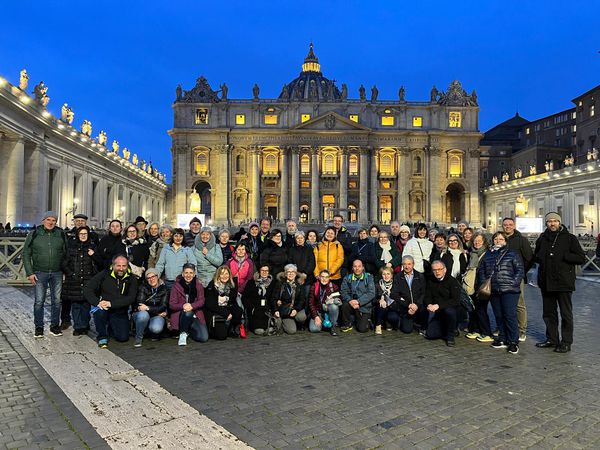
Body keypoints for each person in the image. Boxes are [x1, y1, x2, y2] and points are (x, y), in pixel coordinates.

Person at [534, 212, 586, 353]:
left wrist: (565, 256)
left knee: (565, 313)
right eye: (549, 221)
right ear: (546, 223)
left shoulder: (570, 238)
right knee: (548, 313)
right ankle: (552, 339)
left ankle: (566, 342)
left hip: (563, 282)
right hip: (546, 281)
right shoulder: (542, 238)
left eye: (555, 221)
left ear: (559, 223)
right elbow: (536, 256)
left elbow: (581, 258)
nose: (552, 223)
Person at [476, 231, 524, 354]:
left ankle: (513, 341)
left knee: (509, 315)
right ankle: (502, 338)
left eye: (501, 239)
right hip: (494, 289)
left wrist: (513, 283)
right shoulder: (488, 254)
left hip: (509, 290)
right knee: (498, 315)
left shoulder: (512, 253)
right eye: (496, 239)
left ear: (505, 241)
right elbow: (482, 270)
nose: (498, 241)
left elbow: (519, 270)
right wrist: (484, 283)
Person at [23, 211, 67, 338]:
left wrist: (64, 271)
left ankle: (54, 326)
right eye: (48, 219)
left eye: (53, 220)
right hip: (39, 272)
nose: (51, 222)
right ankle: (39, 327)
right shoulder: (34, 234)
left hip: (57, 272)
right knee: (39, 301)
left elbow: (65, 254)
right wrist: (30, 272)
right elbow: (26, 253)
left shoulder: (60, 234)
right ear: (43, 220)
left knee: (57, 301)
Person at [84, 254, 138, 348]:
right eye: (118, 265)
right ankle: (102, 336)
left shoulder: (131, 278)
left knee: (122, 338)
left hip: (119, 310)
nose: (121, 268)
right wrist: (97, 302)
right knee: (99, 312)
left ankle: (111, 325)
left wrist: (111, 303)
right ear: (113, 266)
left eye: (124, 266)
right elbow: (88, 288)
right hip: (103, 307)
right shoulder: (104, 274)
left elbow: (131, 298)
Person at [60, 226, 99, 335]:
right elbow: (64, 263)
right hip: (74, 280)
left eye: (85, 234)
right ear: (77, 235)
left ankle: (85, 326)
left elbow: (98, 262)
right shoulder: (71, 247)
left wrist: (94, 255)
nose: (83, 236)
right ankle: (78, 327)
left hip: (88, 279)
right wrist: (70, 274)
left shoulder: (92, 247)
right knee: (76, 305)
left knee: (86, 305)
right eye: (81, 234)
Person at [502, 217, 534, 342]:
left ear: (514, 226)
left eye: (510, 224)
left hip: (516, 277)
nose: (507, 227)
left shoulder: (522, 240)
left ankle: (521, 330)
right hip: (501, 277)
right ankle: (503, 328)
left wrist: (520, 272)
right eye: (505, 225)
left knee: (519, 304)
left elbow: (529, 258)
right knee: (503, 303)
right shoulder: (499, 239)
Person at [169, 263, 209, 345]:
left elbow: (202, 301)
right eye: (186, 273)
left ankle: (188, 331)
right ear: (183, 274)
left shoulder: (198, 285)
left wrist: (192, 306)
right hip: (181, 314)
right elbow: (172, 304)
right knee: (188, 312)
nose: (188, 275)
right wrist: (183, 306)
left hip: (195, 315)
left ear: (194, 274)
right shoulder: (176, 285)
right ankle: (182, 334)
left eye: (191, 273)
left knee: (203, 337)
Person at [464, 233, 493, 342]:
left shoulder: (488, 253)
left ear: (484, 242)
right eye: (475, 240)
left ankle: (487, 333)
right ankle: (476, 330)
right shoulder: (472, 252)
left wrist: (482, 283)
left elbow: (488, 270)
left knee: (481, 309)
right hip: (472, 284)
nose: (477, 242)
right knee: (474, 308)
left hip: (482, 285)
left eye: (479, 240)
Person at [424, 260, 460, 347]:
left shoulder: (452, 281)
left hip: (451, 309)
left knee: (449, 311)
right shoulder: (431, 281)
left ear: (445, 270)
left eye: (439, 269)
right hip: (438, 313)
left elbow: (455, 300)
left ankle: (451, 335)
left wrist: (438, 305)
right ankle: (447, 329)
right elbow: (427, 296)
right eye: (435, 270)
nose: (437, 272)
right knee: (430, 335)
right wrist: (428, 304)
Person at [390, 255, 426, 333]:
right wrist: (408, 305)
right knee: (407, 330)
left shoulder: (420, 276)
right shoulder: (398, 277)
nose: (407, 266)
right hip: (406, 307)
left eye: (409, 264)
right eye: (405, 264)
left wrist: (416, 305)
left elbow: (423, 293)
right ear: (402, 265)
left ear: (413, 264)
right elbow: (394, 294)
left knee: (424, 309)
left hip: (418, 306)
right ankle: (406, 321)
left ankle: (419, 323)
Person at [204, 266, 243, 340]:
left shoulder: (232, 283)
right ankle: (217, 330)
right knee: (221, 336)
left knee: (238, 310)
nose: (224, 276)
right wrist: (225, 313)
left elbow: (232, 298)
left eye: (226, 274)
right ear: (218, 275)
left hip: (228, 306)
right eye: (222, 274)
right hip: (216, 310)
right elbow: (210, 304)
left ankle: (231, 328)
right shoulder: (212, 285)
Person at [133, 268, 168, 347]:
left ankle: (147, 330)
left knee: (156, 328)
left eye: (153, 276)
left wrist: (148, 308)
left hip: (155, 316)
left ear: (157, 276)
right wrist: (155, 310)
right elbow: (140, 305)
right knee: (143, 315)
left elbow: (163, 306)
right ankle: (138, 337)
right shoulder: (143, 287)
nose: (151, 279)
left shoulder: (164, 289)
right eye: (149, 278)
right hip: (143, 314)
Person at [155, 227, 196, 292]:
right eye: (176, 236)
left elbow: (193, 264)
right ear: (172, 237)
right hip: (169, 281)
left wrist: (193, 278)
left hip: (182, 281)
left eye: (180, 236)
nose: (178, 238)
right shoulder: (166, 249)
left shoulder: (187, 249)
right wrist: (156, 277)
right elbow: (160, 264)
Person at [340, 260, 376, 333]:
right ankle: (347, 324)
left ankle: (367, 320)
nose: (357, 268)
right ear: (352, 268)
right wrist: (350, 300)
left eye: (359, 266)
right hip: (351, 304)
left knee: (362, 329)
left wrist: (358, 302)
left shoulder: (369, 278)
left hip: (364, 306)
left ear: (363, 267)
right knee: (345, 305)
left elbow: (371, 293)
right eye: (355, 266)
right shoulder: (347, 278)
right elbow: (343, 291)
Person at [271, 264, 307, 334]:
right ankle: (281, 321)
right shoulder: (280, 284)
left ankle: (298, 324)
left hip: (294, 309)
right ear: (285, 273)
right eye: (288, 272)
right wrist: (275, 310)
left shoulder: (299, 284)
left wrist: (296, 309)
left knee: (302, 316)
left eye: (292, 272)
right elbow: (273, 298)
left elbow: (302, 300)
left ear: (296, 273)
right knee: (291, 331)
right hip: (284, 311)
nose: (290, 274)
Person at [242, 265, 277, 335]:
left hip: (266, 308)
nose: (264, 272)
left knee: (269, 324)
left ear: (269, 272)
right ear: (259, 272)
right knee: (259, 330)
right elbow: (245, 297)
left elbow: (273, 297)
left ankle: (268, 326)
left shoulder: (273, 283)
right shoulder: (251, 282)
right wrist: (251, 308)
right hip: (254, 309)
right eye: (262, 270)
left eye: (266, 271)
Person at [308, 270, 340, 336]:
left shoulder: (333, 287)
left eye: (326, 277)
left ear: (329, 278)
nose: (324, 279)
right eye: (322, 277)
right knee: (314, 329)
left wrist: (336, 300)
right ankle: (324, 324)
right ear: (319, 277)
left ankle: (333, 326)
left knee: (334, 306)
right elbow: (311, 303)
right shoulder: (314, 286)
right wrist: (316, 316)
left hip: (328, 311)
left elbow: (340, 298)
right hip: (318, 311)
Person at [288, 231, 316, 296]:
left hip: (307, 277)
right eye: (298, 238)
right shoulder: (292, 250)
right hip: (295, 277)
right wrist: (298, 274)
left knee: (306, 296)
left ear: (304, 239)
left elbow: (312, 262)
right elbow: (290, 262)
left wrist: (305, 273)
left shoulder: (309, 249)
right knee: (296, 295)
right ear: (295, 239)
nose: (300, 240)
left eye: (301, 238)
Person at [373, 267, 397, 335]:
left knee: (394, 317)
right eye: (384, 274)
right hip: (380, 309)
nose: (386, 276)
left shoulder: (395, 285)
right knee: (381, 306)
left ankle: (388, 323)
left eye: (388, 274)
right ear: (381, 275)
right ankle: (378, 325)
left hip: (392, 308)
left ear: (392, 275)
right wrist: (380, 301)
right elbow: (373, 300)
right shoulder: (377, 285)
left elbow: (398, 299)